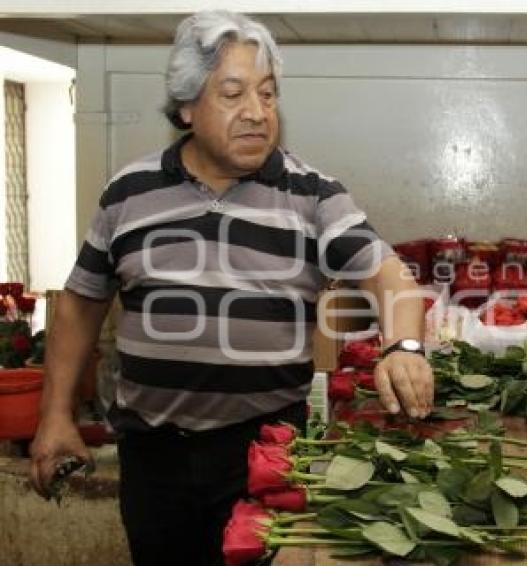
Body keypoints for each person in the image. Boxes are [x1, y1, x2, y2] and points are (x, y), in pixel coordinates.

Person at [28, 10, 433, 566]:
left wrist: (404, 346)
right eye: (234, 93)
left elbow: (387, 272)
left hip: (265, 453)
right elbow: (81, 303)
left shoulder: (311, 194)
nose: (256, 113)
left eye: (268, 95)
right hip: (154, 457)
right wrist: (55, 416)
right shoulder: (129, 192)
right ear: (187, 106)